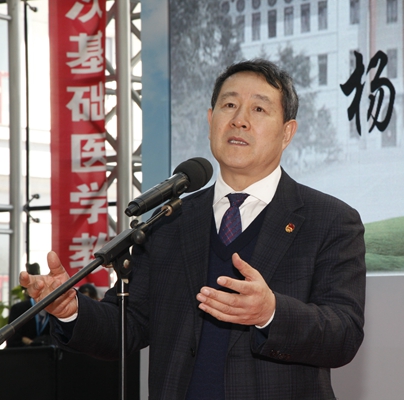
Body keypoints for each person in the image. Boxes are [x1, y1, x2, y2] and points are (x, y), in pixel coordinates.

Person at [20, 59, 366, 399]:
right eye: (229, 105)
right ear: (211, 120)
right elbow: (129, 323)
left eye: (259, 109)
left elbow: (344, 334)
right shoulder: (169, 220)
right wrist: (71, 310)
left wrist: (270, 312)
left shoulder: (330, 220)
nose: (240, 120)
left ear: (287, 132)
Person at [6, 263, 52, 348]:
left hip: (47, 355)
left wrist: (32, 342)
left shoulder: (54, 312)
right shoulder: (19, 309)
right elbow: (12, 341)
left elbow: (58, 339)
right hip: (23, 355)